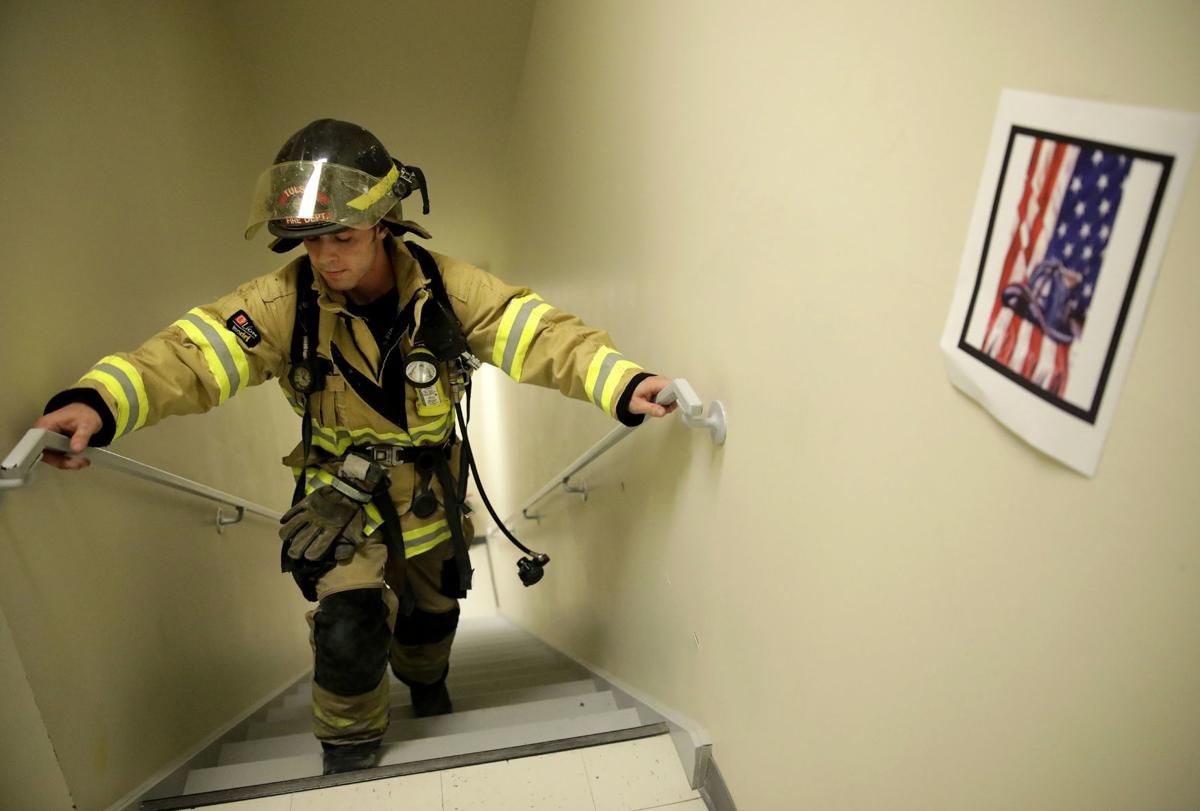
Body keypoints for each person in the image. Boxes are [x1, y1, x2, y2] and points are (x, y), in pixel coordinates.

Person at [34, 119, 674, 775]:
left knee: (432, 618)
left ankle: (426, 680)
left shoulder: (451, 291)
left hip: (431, 493)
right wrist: (100, 403)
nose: (326, 257)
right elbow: (190, 356)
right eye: (312, 241)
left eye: (342, 237)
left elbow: (543, 336)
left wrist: (621, 382)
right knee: (347, 624)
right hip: (342, 496)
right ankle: (350, 749)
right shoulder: (282, 305)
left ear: (383, 226)